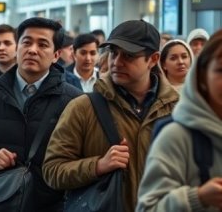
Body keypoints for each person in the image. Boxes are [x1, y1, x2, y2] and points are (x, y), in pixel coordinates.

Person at [42, 19, 179, 212]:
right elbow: (52, 170)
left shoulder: (178, 110)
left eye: (129, 56)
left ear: (154, 59)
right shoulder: (83, 108)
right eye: (113, 53)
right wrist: (98, 165)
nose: (117, 62)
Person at [0, 17, 83, 211]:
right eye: (27, 42)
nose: (32, 50)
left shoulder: (73, 101)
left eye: (43, 44)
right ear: (18, 48)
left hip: (51, 205)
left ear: (56, 55)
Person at [136, 30, 222, 212]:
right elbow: (147, 208)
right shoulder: (177, 137)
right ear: (202, 76)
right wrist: (197, 198)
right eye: (220, 70)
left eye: (184, 56)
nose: (180, 62)